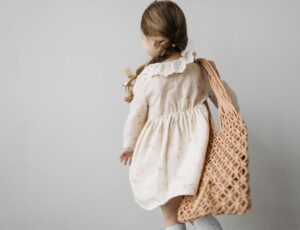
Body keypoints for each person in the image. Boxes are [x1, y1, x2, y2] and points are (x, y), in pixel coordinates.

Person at [119, 1, 240, 229]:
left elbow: (136, 116)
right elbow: (226, 100)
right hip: (197, 153)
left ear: (153, 41)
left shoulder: (147, 79)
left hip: (162, 158)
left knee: (171, 218)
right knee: (198, 210)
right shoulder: (198, 69)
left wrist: (130, 145)